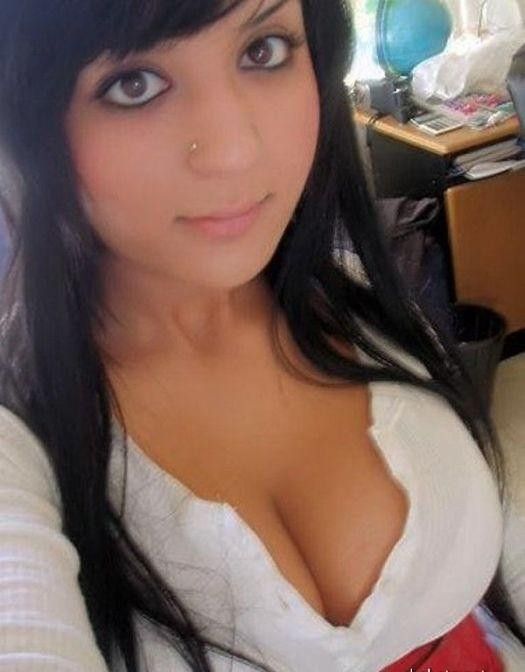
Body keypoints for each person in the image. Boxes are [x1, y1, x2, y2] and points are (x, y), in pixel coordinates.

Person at [0, 1, 523, 671]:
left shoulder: (351, 293)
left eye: (264, 51)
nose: (235, 151)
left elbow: (494, 538)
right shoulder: (21, 438)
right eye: (133, 84)